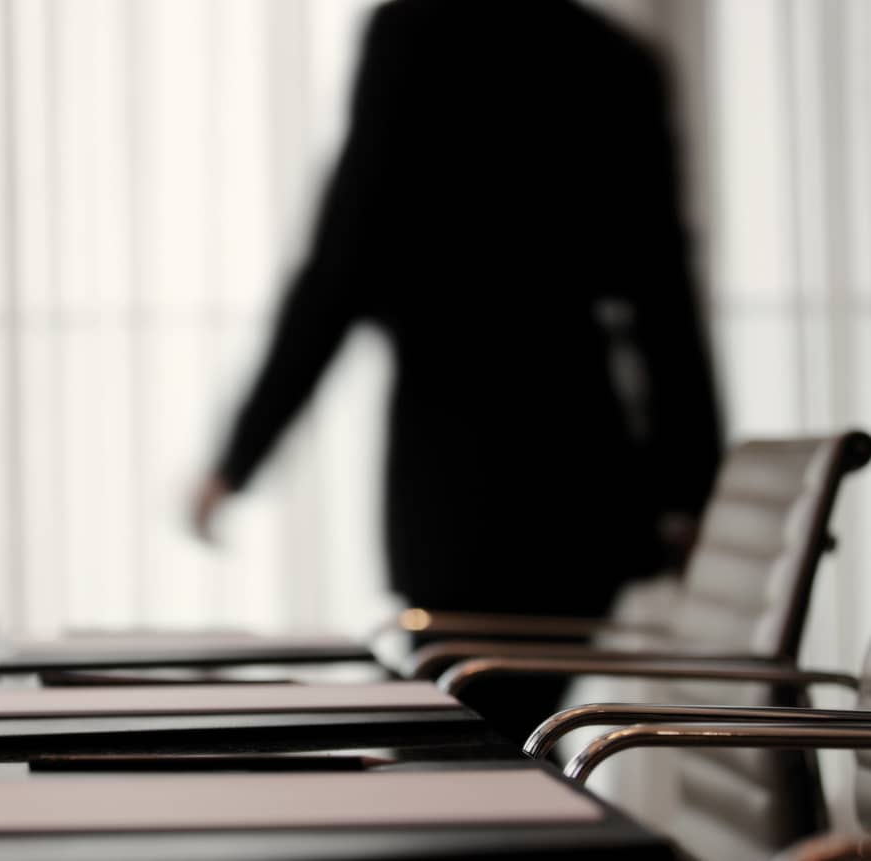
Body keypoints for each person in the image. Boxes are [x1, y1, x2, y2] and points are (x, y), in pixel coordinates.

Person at [193, 0, 722, 742]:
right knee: (506, 742)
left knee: (471, 745)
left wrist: (239, 456)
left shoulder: (414, 33)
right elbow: (662, 299)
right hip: (577, 475)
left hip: (454, 477)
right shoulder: (614, 59)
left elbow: (340, 268)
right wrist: (690, 485)